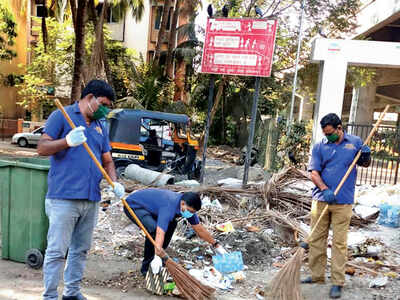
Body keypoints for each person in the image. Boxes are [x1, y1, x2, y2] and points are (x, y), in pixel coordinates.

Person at [38, 80, 125, 300]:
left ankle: (72, 293)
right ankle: (49, 296)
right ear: (90, 98)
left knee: (80, 250)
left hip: (91, 198)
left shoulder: (100, 125)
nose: (105, 109)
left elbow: (107, 160)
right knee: (57, 251)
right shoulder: (62, 115)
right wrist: (66, 141)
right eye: (103, 104)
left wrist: (114, 183)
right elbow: (42, 148)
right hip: (64, 198)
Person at [303, 113, 371, 299]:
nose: (328, 137)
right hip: (322, 199)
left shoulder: (354, 142)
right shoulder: (320, 146)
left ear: (339, 128)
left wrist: (366, 155)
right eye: (325, 134)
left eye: (331, 133)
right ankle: (317, 276)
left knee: (339, 243)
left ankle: (337, 282)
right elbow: (314, 173)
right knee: (317, 239)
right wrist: (325, 190)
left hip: (343, 201)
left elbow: (365, 164)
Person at [123, 188, 227, 276]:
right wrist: (156, 255)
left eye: (193, 212)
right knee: (153, 230)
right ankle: (147, 268)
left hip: (151, 208)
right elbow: (160, 232)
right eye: (190, 211)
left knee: (172, 224)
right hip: (134, 206)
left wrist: (216, 244)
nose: (191, 214)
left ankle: (159, 257)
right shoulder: (169, 206)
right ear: (182, 203)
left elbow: (199, 229)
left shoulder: (187, 208)